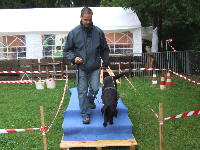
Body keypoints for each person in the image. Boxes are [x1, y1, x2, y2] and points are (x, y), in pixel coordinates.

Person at [63, 7, 110, 124]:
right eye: (85, 20)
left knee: (95, 88)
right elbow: (66, 51)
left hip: (95, 67)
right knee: (82, 91)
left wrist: (106, 60)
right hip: (81, 67)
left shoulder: (98, 32)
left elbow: (104, 49)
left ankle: (90, 101)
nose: (87, 22)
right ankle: (85, 114)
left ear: (92, 17)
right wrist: (74, 58)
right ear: (81, 17)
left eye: (89, 19)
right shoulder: (74, 33)